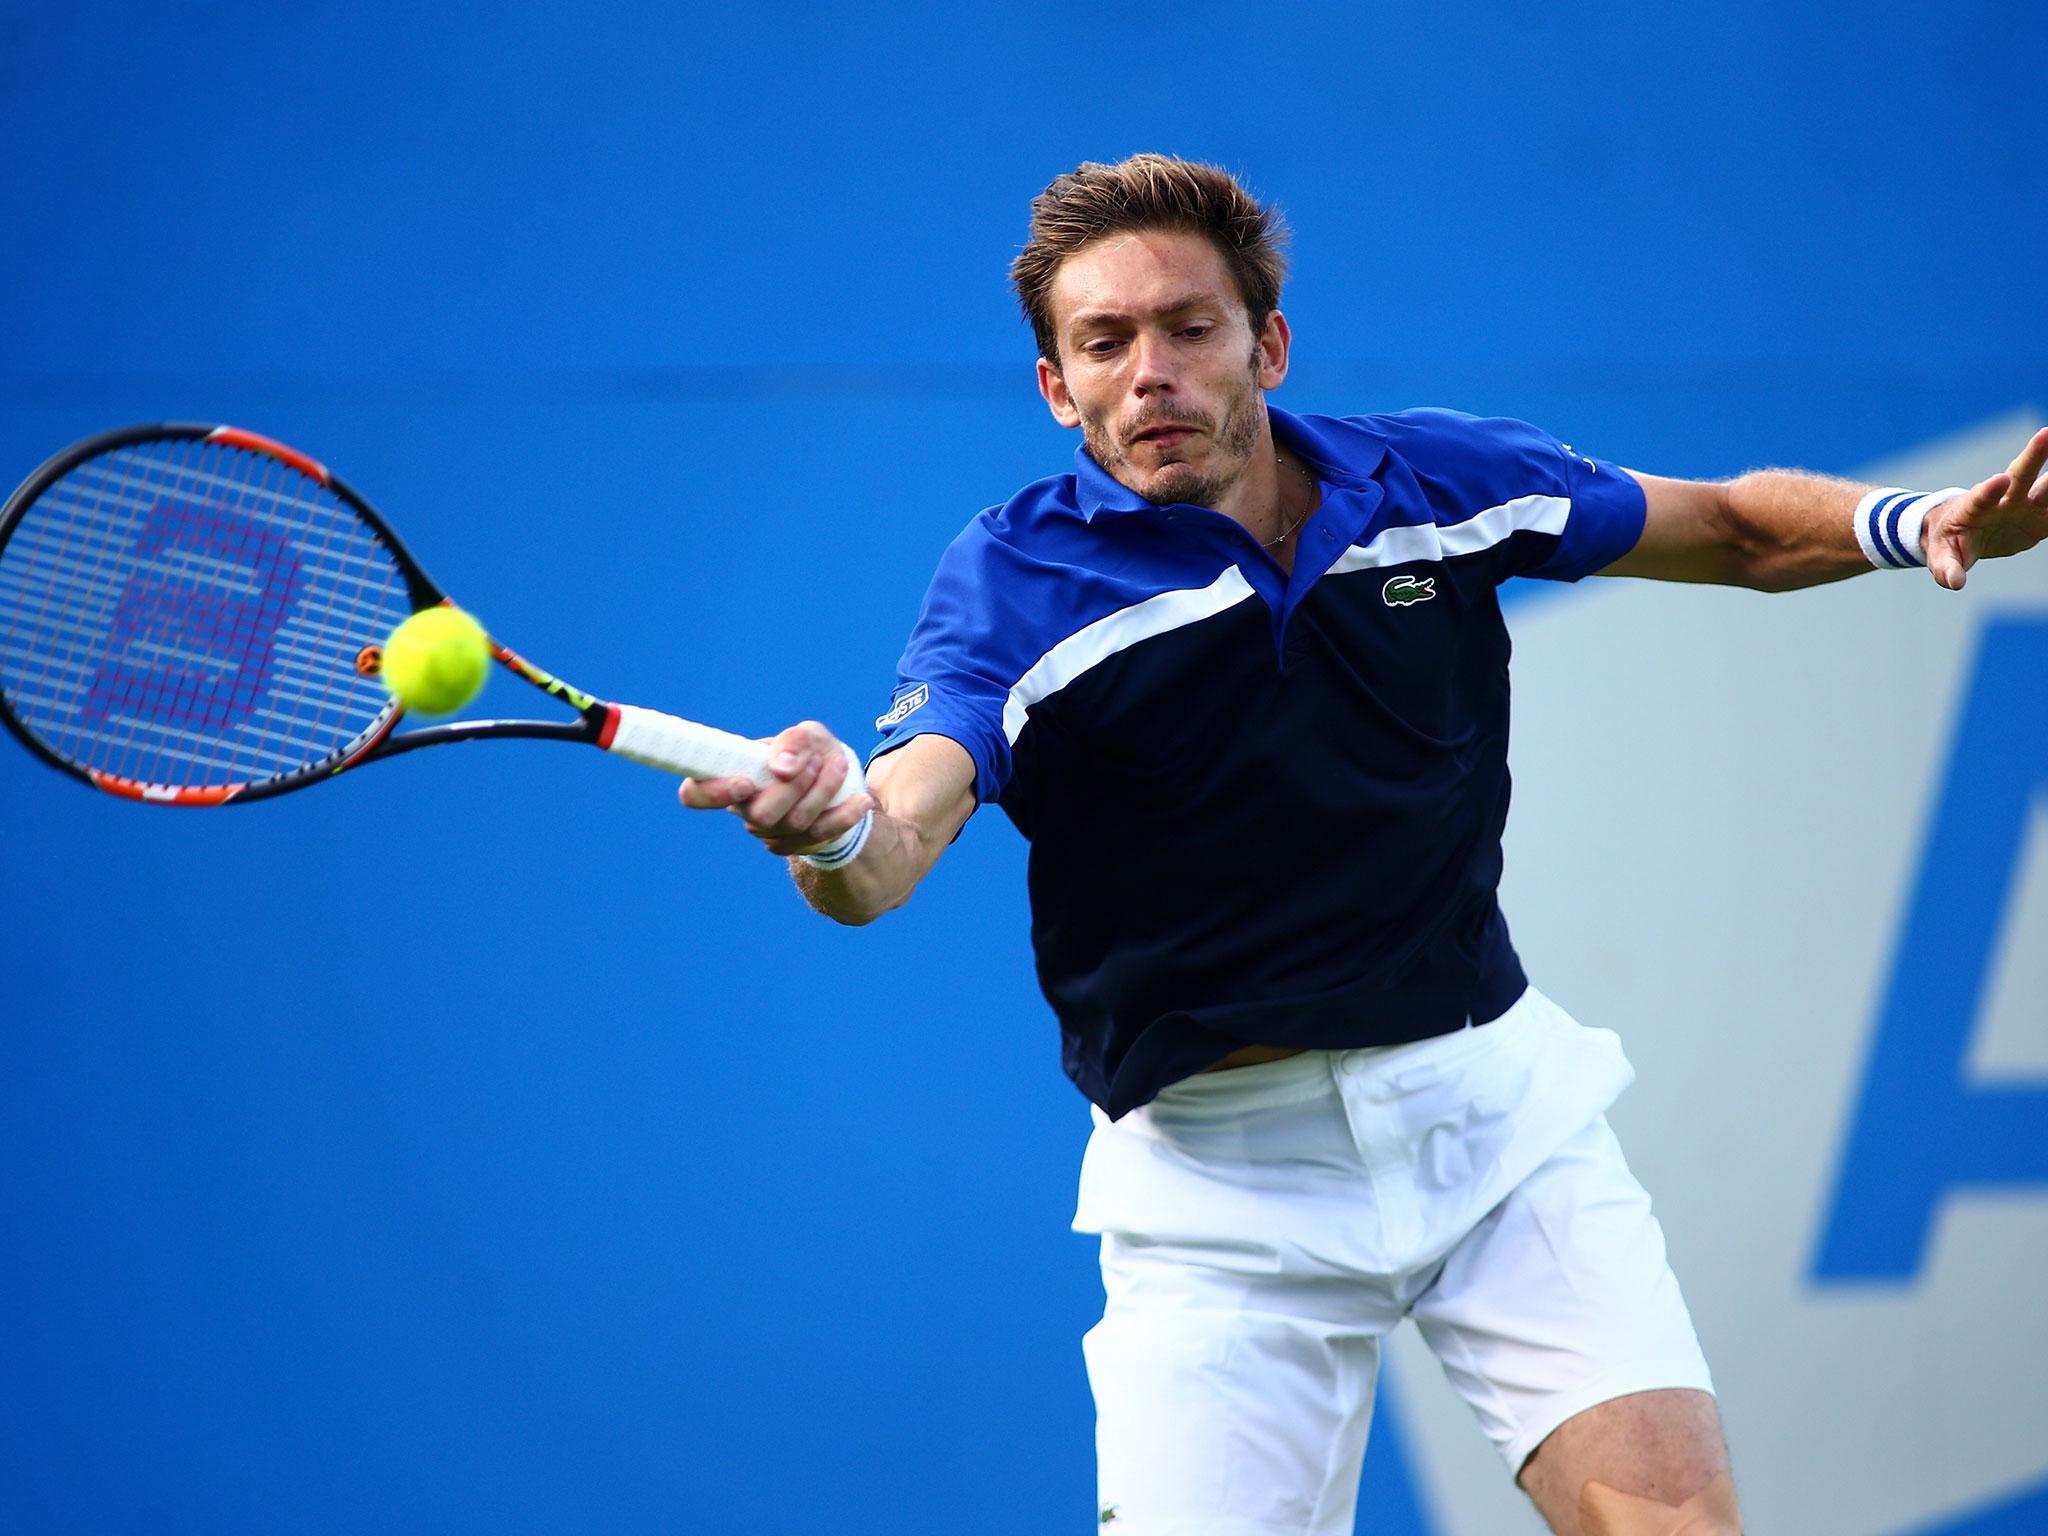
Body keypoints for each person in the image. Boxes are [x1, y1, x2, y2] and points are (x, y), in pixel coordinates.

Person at [678, 155, 2048, 1536]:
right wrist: (835, 826)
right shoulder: (1016, 582)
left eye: (1188, 328)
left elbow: (1737, 529)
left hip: (1494, 1127)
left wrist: (1918, 521)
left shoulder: (1434, 480)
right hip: (1218, 1198)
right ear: (1058, 388)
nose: (1149, 371)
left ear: (1266, 346)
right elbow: (900, 831)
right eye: (1104, 343)